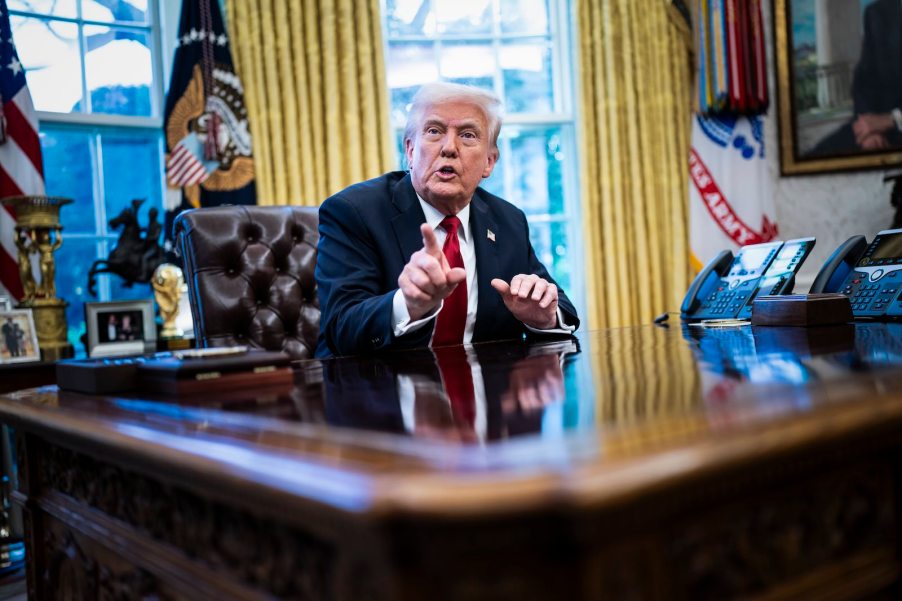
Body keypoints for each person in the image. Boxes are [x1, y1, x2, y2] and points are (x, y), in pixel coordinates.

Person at [315, 82, 579, 358]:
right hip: (375, 389)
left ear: (489, 161)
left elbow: (562, 309)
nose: (449, 148)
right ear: (410, 150)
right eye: (434, 131)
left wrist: (544, 317)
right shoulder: (353, 212)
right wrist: (408, 304)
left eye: (467, 135)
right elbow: (340, 327)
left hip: (483, 389)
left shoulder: (508, 221)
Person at [808, 0, 902, 156]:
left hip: (894, 124)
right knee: (815, 158)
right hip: (876, 127)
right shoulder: (876, 13)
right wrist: (869, 131)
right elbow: (863, 81)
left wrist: (891, 120)